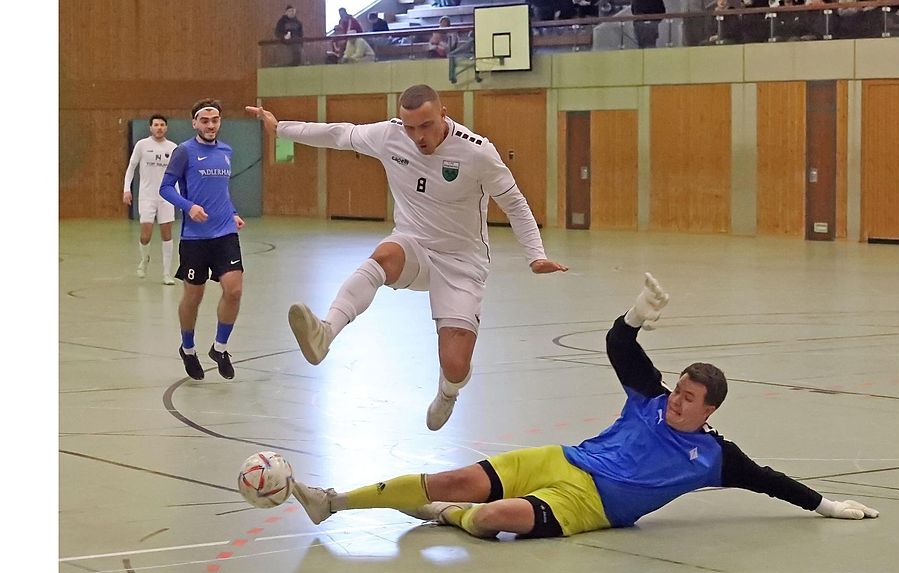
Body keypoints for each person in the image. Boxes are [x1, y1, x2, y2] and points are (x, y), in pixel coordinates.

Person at [288, 273, 881, 539]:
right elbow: (620, 345)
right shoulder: (648, 400)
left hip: (589, 505)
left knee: (493, 517)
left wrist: (826, 504)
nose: (675, 401)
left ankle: (440, 514)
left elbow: (769, 482)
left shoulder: (713, 457)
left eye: (688, 400)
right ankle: (333, 502)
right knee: (457, 477)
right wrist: (638, 313)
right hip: (560, 459)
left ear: (708, 411)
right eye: (677, 390)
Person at [245, 84, 567, 431]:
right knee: (384, 255)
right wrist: (281, 128)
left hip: (461, 263)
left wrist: (535, 254)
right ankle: (325, 333)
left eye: (426, 125)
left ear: (443, 115)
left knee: (456, 365)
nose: (418, 136)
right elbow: (341, 134)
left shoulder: (477, 152)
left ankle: (448, 390)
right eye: (410, 127)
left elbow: (515, 202)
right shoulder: (390, 136)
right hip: (413, 245)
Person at [159, 99, 246, 381]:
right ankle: (188, 347)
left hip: (225, 233)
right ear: (195, 123)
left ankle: (220, 348)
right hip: (195, 238)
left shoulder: (226, 151)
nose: (210, 125)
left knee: (233, 290)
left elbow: (222, 191)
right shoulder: (184, 151)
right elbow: (165, 188)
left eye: (215, 120)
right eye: (205, 121)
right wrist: (189, 207)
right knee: (193, 296)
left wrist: (232, 213)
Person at [123, 114, 178, 285]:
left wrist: (178, 197)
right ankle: (144, 259)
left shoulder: (173, 148)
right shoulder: (142, 145)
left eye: (162, 125)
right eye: (156, 125)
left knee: (167, 235)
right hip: (147, 196)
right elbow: (131, 168)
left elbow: (177, 174)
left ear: (166, 128)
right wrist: (126, 189)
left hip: (166, 197)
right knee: (145, 235)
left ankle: (166, 273)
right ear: (151, 127)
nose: (159, 127)